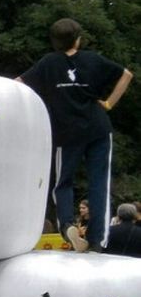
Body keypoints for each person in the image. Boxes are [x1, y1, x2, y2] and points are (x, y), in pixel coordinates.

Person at [17, 18, 133, 252]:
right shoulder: (92, 59)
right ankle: (97, 240)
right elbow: (126, 75)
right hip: (98, 127)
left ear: (54, 41)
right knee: (99, 182)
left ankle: (67, 224)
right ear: (78, 39)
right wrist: (109, 103)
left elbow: (19, 83)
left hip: (65, 131)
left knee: (63, 182)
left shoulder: (48, 63)